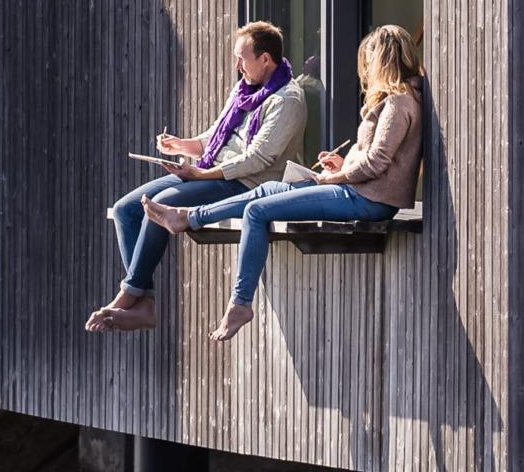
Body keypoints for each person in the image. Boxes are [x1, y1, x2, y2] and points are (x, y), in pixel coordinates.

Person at [140, 24, 426, 343]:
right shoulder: (398, 100)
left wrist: (334, 176)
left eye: (369, 61)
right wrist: (344, 165)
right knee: (265, 191)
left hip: (368, 201)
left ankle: (240, 302)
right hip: (359, 190)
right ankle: (188, 217)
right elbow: (377, 161)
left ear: (382, 59)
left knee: (258, 211)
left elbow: (376, 162)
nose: (366, 70)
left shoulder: (399, 103)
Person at [85, 21, 307, 334]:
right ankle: (144, 303)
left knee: (160, 206)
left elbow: (258, 158)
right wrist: (182, 145)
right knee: (126, 209)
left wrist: (202, 172)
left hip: (244, 183)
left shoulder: (287, 100)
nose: (237, 65)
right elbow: (218, 136)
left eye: (242, 58)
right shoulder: (246, 89)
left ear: (265, 60)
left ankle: (129, 293)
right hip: (209, 172)